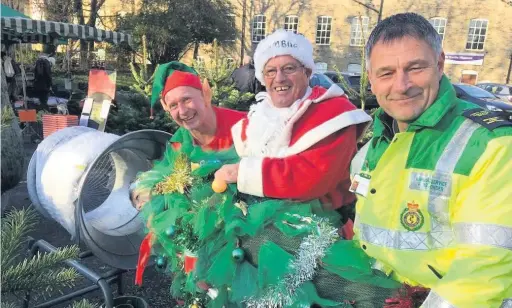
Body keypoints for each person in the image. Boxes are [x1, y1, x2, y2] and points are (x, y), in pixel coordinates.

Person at [351, 12, 512, 307]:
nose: (401, 85)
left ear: (439, 65)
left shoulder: (493, 146)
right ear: (371, 79)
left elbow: (483, 269)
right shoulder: (378, 141)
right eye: (386, 73)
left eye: (415, 68)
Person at [214, 29, 372, 238]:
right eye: (270, 71)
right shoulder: (256, 117)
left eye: (289, 68)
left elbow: (313, 177)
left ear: (307, 73)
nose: (279, 78)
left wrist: (240, 173)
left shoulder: (335, 115)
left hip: (318, 237)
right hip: (259, 231)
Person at [134, 61, 245, 285]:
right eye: (174, 105)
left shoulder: (244, 126)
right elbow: (164, 180)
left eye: (186, 99)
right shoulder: (178, 143)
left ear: (205, 95)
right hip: (202, 235)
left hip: (244, 230)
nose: (182, 111)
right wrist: (147, 195)